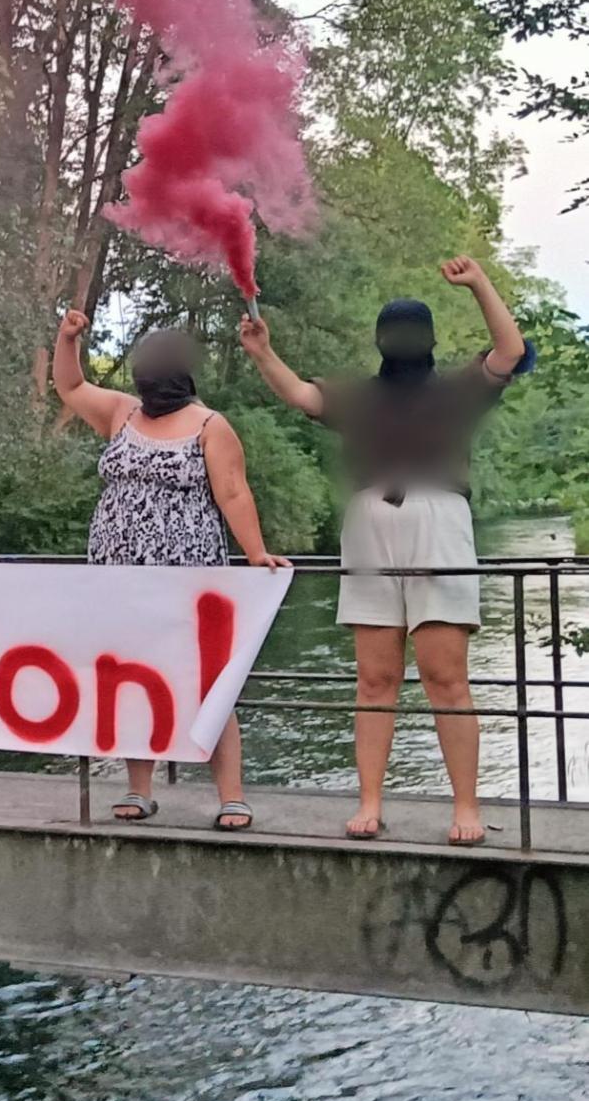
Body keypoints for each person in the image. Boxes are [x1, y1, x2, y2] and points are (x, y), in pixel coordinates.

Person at [240, 259, 530, 846]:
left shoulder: (457, 390)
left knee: (446, 675)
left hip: (439, 519)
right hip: (371, 521)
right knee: (375, 677)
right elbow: (300, 395)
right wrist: (262, 351)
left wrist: (478, 284)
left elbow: (510, 349)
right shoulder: (358, 397)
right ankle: (370, 802)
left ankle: (466, 807)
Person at [53, 311, 287, 830]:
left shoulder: (211, 425)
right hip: (120, 578)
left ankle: (231, 795)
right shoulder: (120, 412)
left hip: (188, 579)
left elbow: (232, 492)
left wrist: (255, 554)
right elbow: (69, 385)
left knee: (209, 683)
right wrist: (68, 338)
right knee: (137, 681)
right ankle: (139, 789)